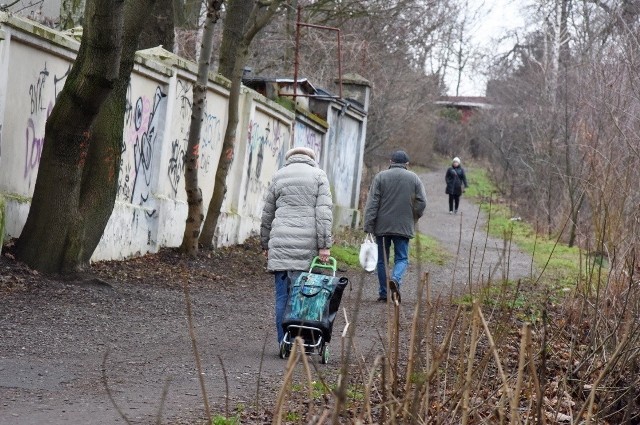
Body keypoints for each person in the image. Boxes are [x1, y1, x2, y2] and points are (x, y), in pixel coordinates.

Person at [260, 146, 333, 346]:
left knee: (282, 295)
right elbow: (324, 214)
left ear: (290, 158)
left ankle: (283, 341)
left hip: (280, 242)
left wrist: (265, 244)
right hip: (307, 244)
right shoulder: (319, 176)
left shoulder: (279, 176)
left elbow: (267, 213)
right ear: (312, 158)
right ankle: (301, 339)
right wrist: (324, 245)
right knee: (304, 293)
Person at [363, 150, 427, 303]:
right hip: (403, 227)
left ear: (390, 161)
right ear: (407, 164)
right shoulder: (414, 178)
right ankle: (396, 279)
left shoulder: (380, 177)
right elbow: (422, 202)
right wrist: (414, 216)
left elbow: (372, 203)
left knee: (381, 260)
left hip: (382, 226)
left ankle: (384, 293)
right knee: (402, 258)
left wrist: (368, 225)